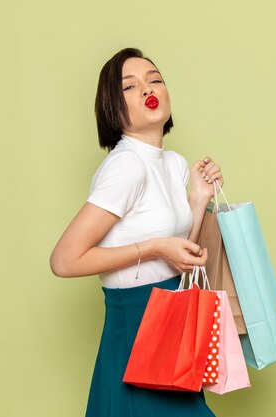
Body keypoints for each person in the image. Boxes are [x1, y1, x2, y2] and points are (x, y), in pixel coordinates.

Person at [50, 47, 223, 417]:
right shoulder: (126, 166)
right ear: (113, 107)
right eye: (129, 86)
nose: (148, 88)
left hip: (171, 323)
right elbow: (64, 260)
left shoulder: (172, 163)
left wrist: (198, 198)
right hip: (135, 329)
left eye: (155, 79)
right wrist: (155, 247)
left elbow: (179, 255)